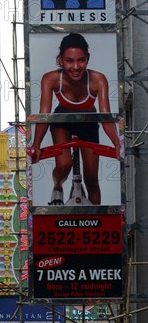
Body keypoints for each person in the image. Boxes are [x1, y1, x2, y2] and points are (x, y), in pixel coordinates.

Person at [31, 32, 120, 206]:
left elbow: (106, 116)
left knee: (92, 179)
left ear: (88, 59)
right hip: (62, 122)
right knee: (64, 164)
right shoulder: (51, 79)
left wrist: (117, 143)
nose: (76, 66)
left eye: (81, 60)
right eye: (69, 61)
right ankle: (57, 186)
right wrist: (36, 145)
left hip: (88, 123)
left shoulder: (97, 80)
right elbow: (44, 114)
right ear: (61, 60)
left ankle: (96, 220)